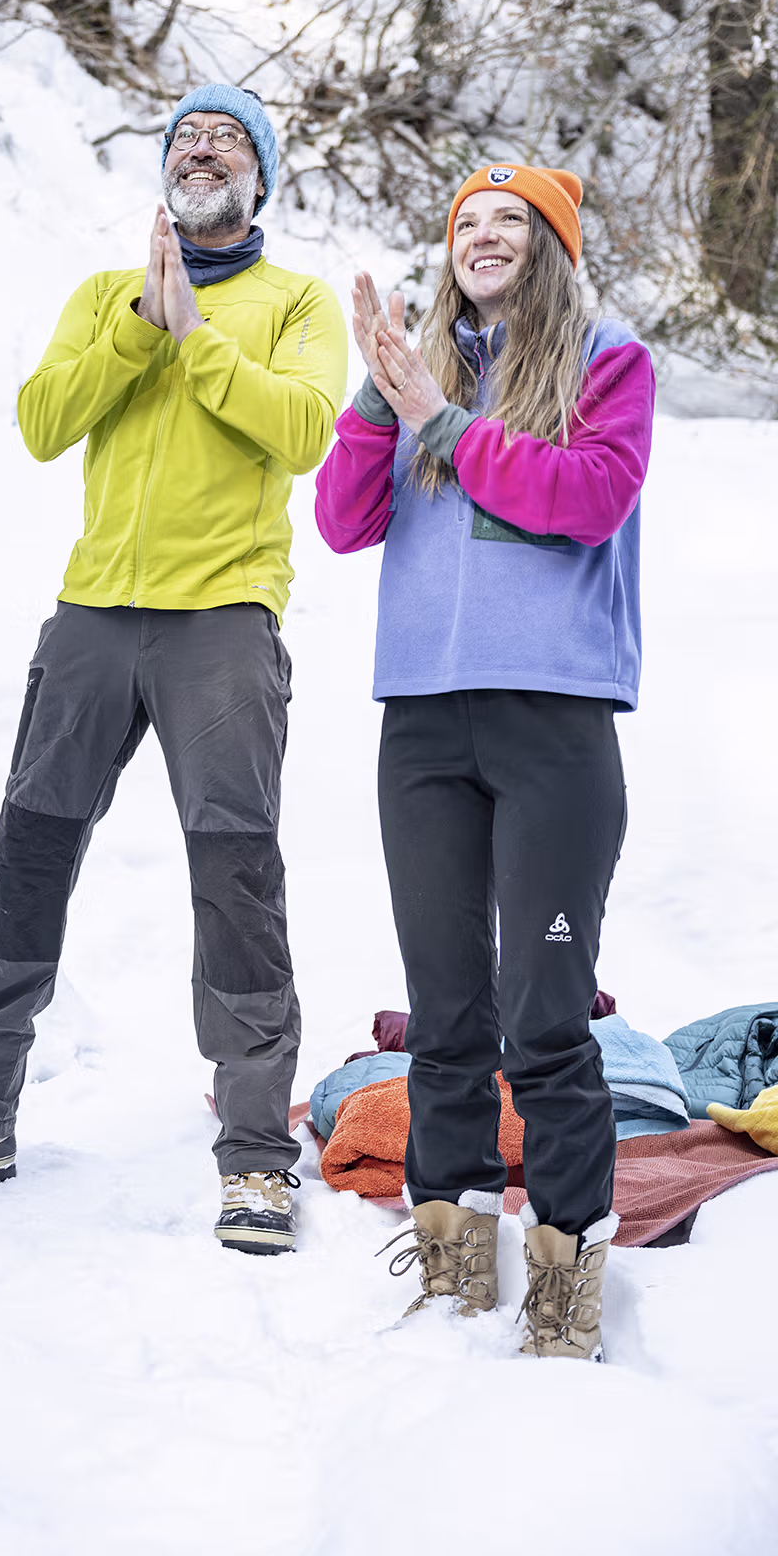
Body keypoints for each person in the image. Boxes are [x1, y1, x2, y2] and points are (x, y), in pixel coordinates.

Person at [0, 85, 347, 1253]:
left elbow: (303, 431)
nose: (198, 150)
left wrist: (197, 336)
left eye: (224, 139)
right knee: (28, 854)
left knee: (234, 878)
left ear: (258, 177)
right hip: (90, 616)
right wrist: (141, 320)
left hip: (222, 620)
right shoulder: (102, 294)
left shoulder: (296, 303)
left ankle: (252, 1159)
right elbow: (41, 420)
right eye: (181, 138)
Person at [314, 164, 654, 1359]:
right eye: (464, 220)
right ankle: (453, 1269)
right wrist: (381, 396)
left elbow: (586, 497)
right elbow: (342, 523)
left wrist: (441, 424)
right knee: (447, 1013)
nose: (482, 234)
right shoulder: (416, 380)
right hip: (421, 723)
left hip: (552, 726)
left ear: (550, 248)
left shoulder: (606, 360)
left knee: (545, 1016)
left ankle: (564, 1296)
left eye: (510, 219)